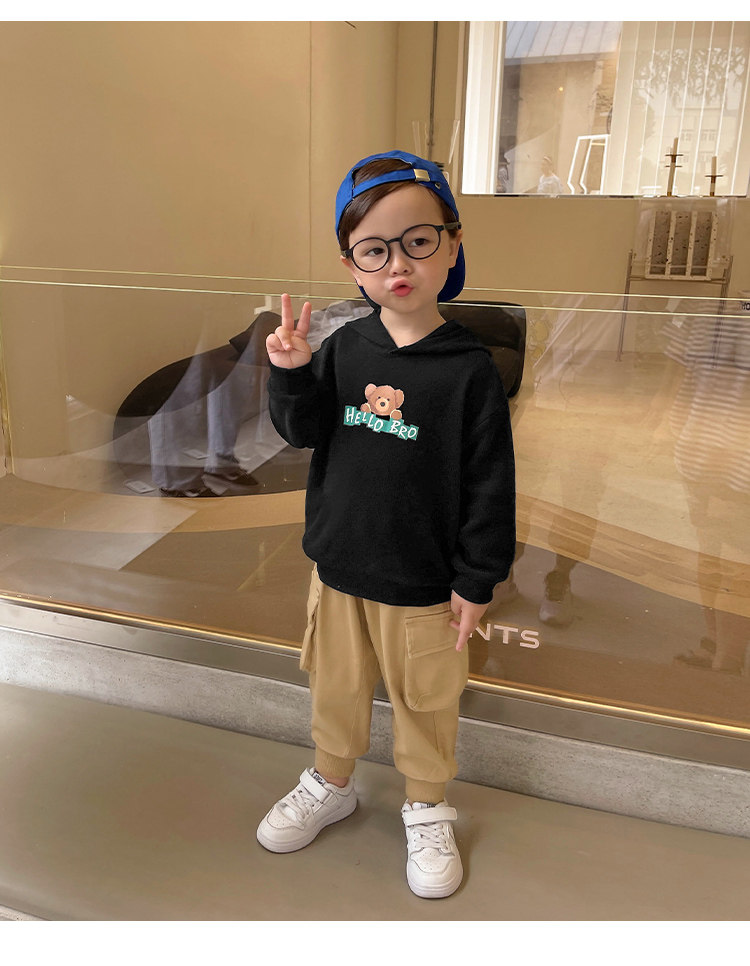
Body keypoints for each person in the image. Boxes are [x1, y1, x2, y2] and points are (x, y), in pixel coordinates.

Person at [256, 149, 516, 899]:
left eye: (418, 241)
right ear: (353, 266)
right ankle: (331, 782)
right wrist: (291, 371)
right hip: (339, 566)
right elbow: (303, 432)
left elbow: (490, 482)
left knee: (426, 701)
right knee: (335, 689)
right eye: (374, 249)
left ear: (452, 245)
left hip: (424, 584)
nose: (398, 262)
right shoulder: (345, 347)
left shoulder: (470, 369)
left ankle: (428, 806)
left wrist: (477, 578)